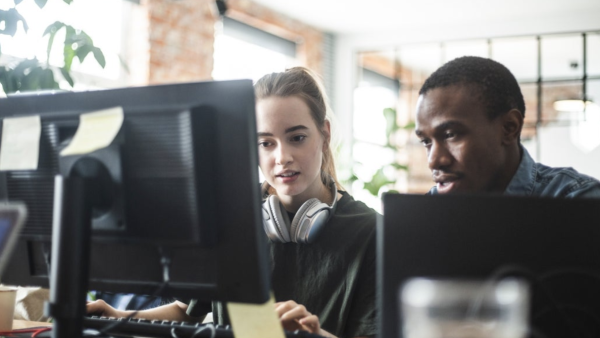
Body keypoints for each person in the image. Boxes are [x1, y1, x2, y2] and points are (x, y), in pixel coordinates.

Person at [88, 67, 378, 338]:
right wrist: (117, 316)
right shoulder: (230, 216)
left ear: (324, 135)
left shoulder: (371, 233)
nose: (282, 157)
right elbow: (185, 312)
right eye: (266, 143)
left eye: (297, 138)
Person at [414, 56, 600, 197]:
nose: (434, 161)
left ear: (509, 127)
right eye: (426, 141)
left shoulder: (576, 200)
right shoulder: (427, 211)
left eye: (450, 134)